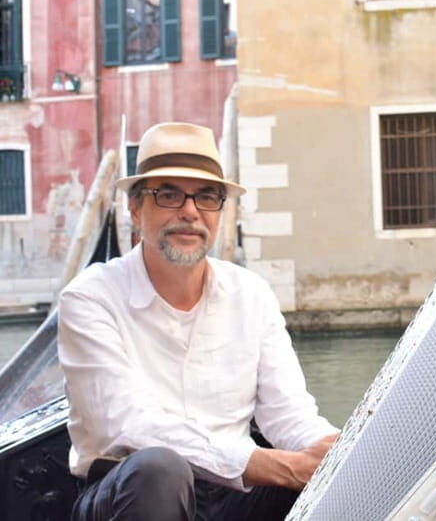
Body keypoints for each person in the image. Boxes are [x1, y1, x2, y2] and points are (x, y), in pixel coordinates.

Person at [57, 122, 338, 520]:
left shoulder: (251, 294)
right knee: (160, 469)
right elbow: (130, 427)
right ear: (136, 208)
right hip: (128, 492)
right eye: (168, 194)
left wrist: (336, 450)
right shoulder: (89, 298)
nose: (190, 211)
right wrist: (283, 466)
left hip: (234, 495)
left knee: (327, 482)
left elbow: (288, 413)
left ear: (220, 212)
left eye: (206, 196)